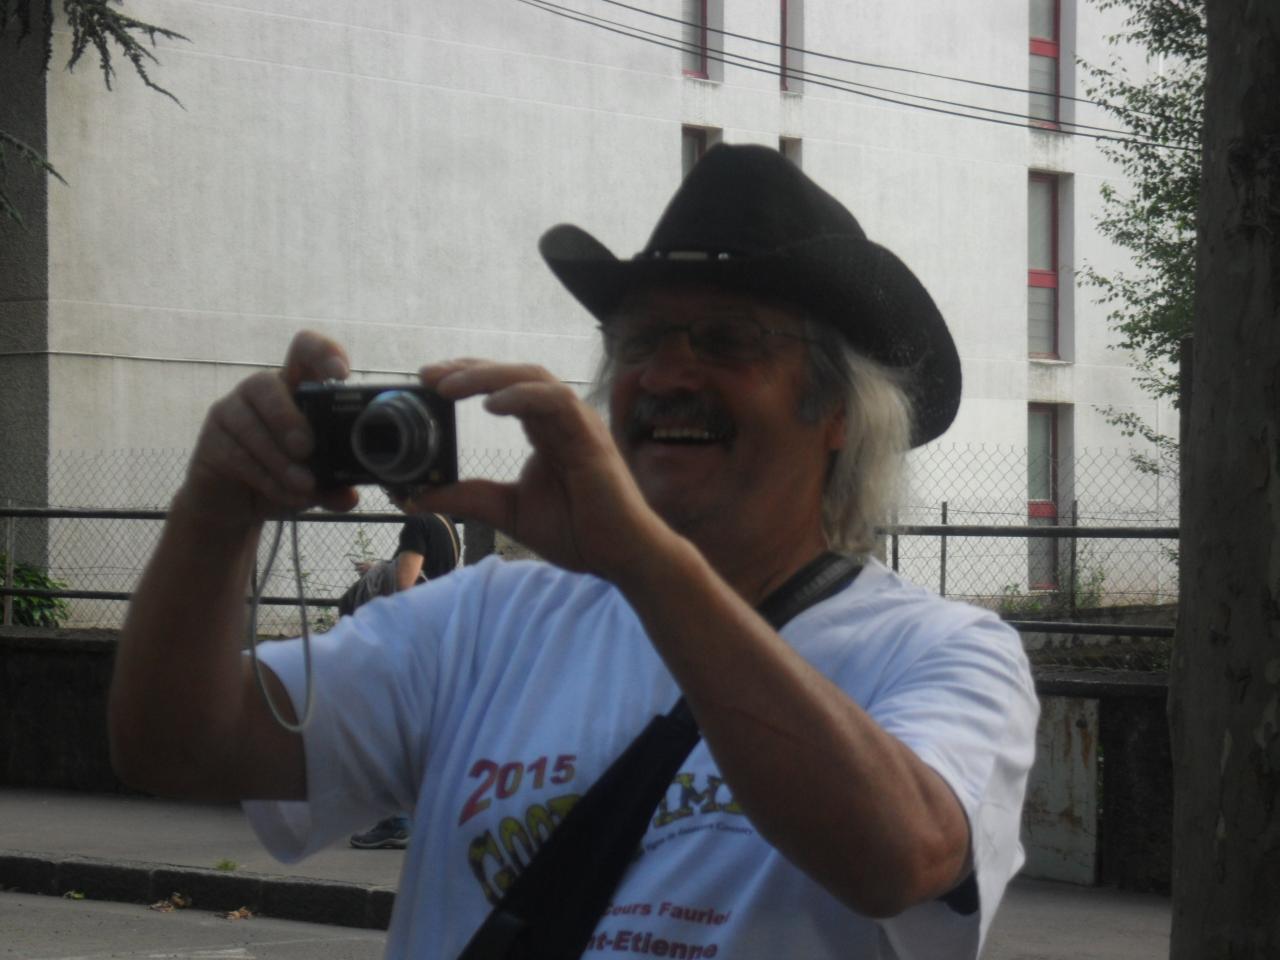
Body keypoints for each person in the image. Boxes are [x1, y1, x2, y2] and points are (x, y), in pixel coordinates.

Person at [109, 144, 1039, 959]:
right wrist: (216, 510)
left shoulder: (942, 653)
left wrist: (645, 562)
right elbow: (177, 748)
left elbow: (901, 856)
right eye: (639, 340)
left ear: (836, 409)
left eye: (727, 341)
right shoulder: (486, 621)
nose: (666, 373)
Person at [344, 486, 460, 849]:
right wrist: (381, 566)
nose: (390, 499)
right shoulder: (444, 522)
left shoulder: (416, 523)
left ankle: (397, 822)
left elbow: (406, 585)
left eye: (391, 492)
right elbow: (433, 574)